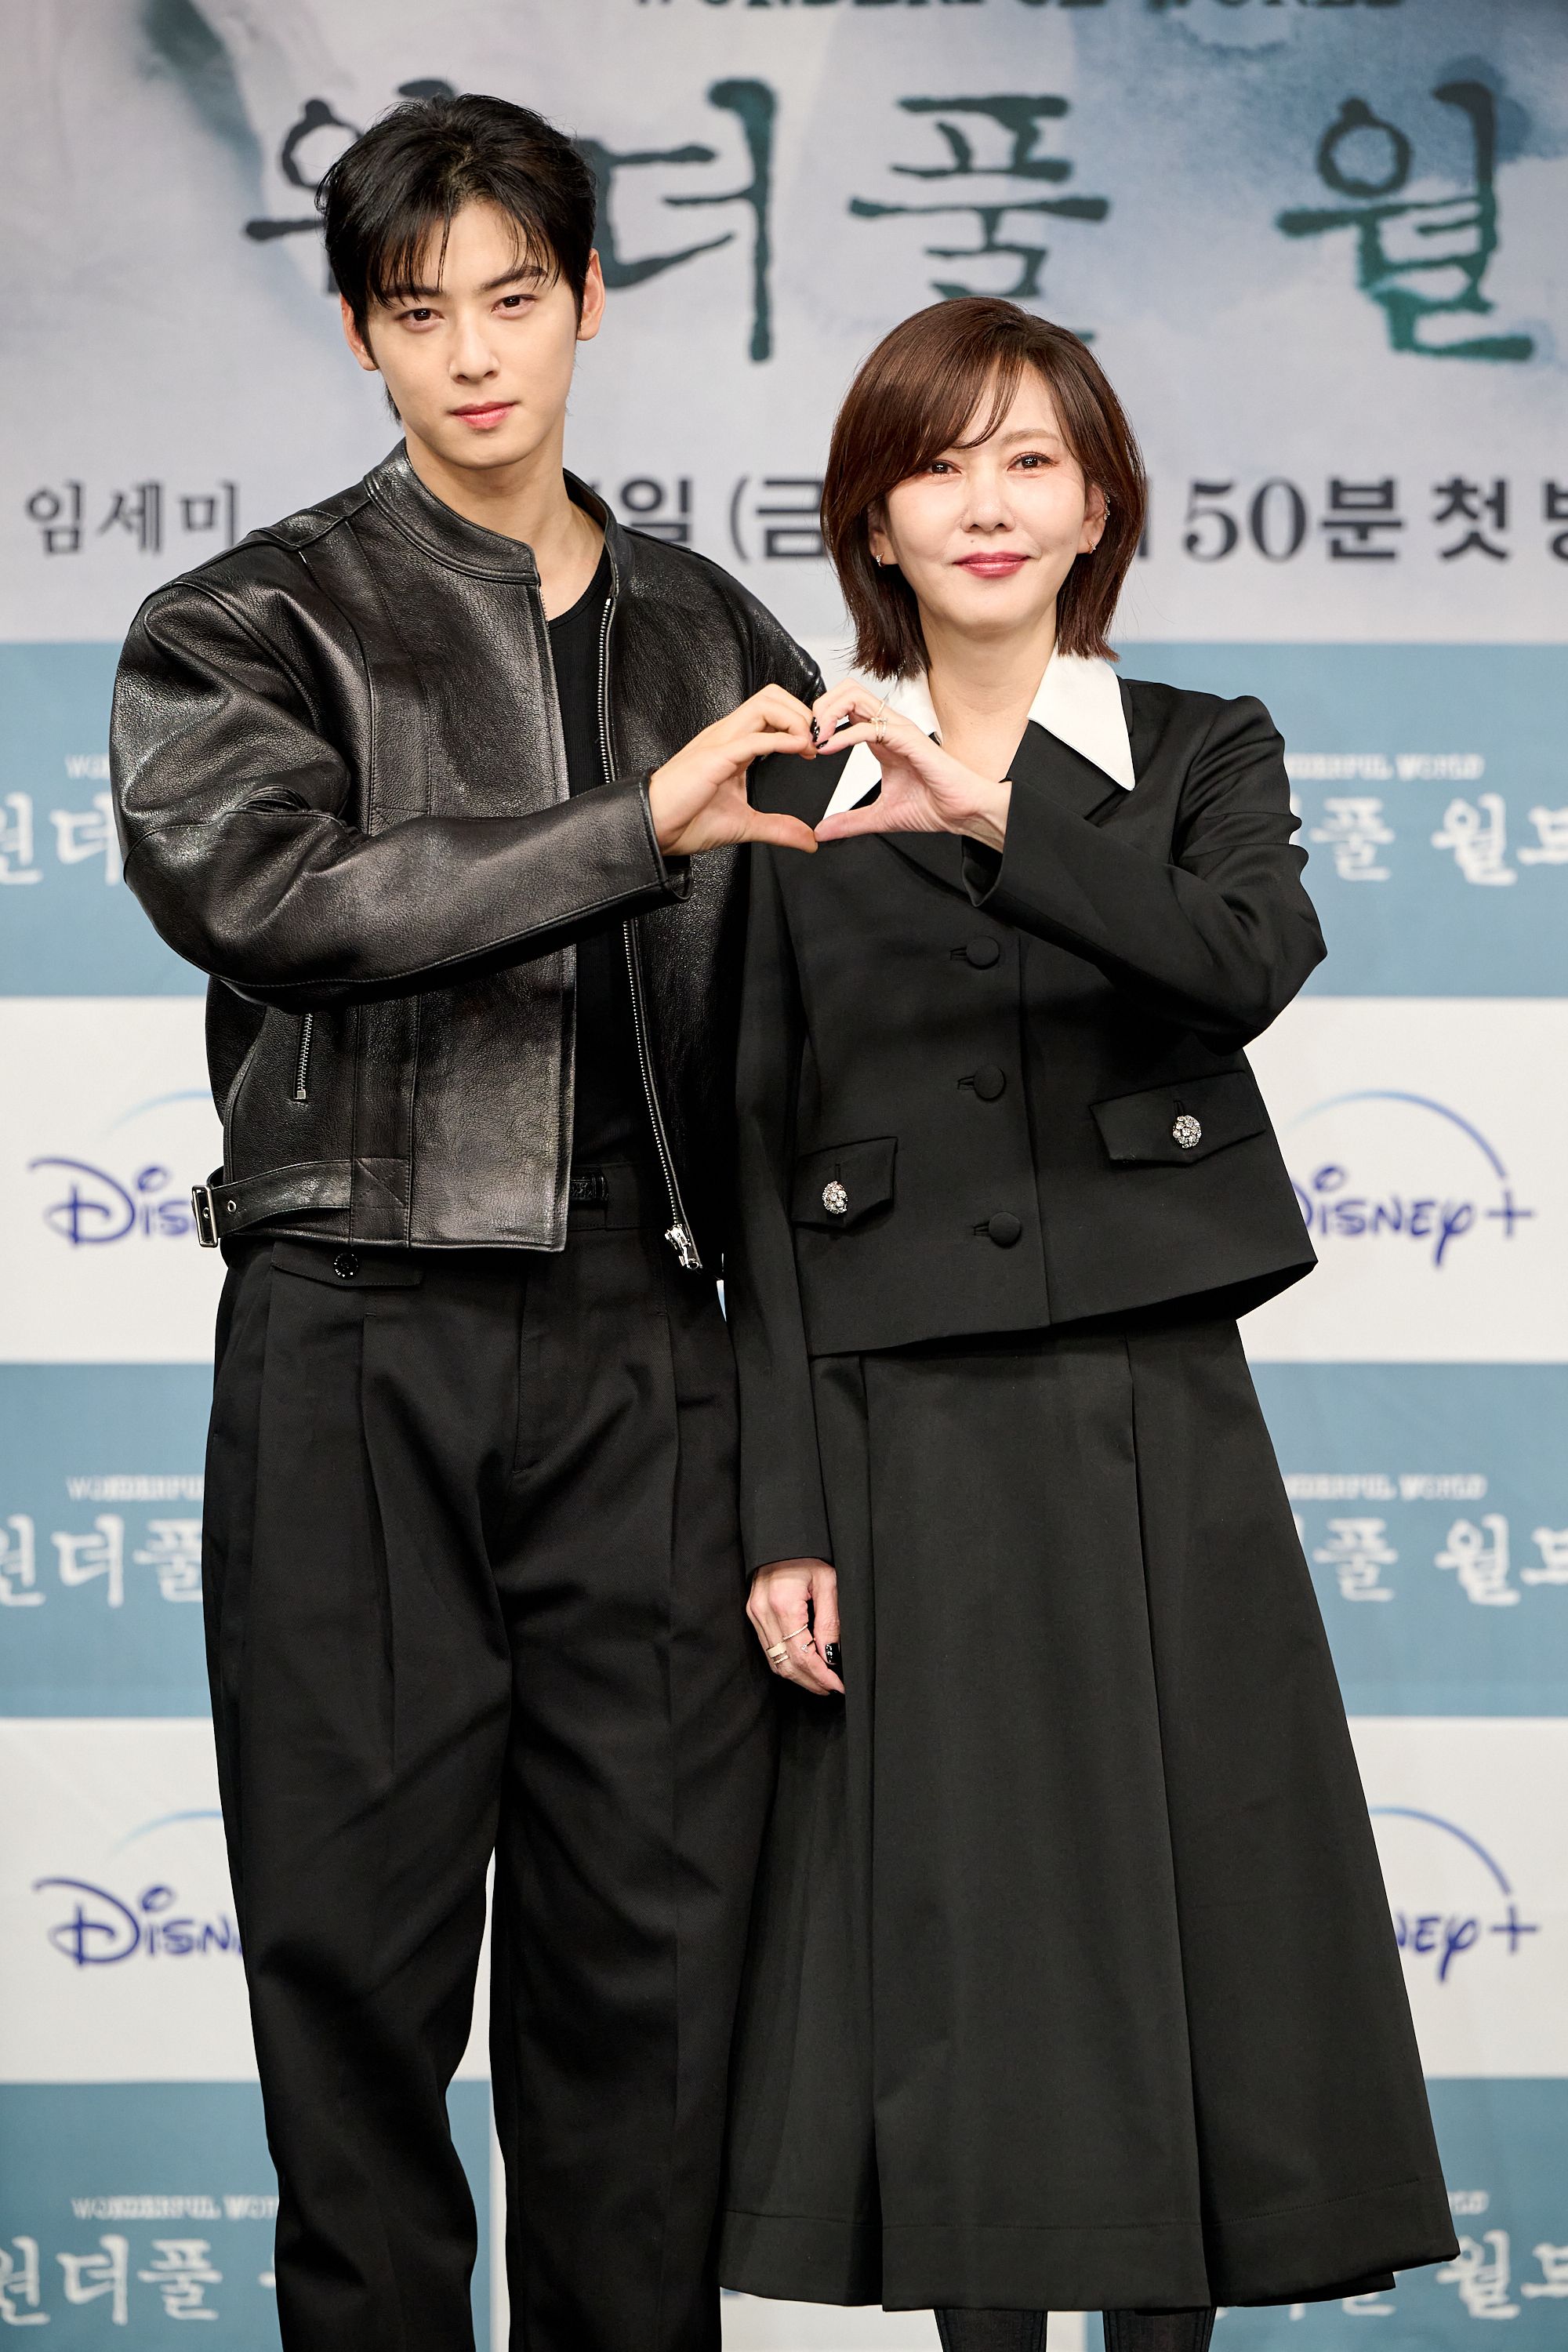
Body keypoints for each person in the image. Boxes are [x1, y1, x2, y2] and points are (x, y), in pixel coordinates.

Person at [110, 93, 822, 2352]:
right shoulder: (239, 625)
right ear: (360, 337)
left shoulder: (718, 628)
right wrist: (639, 827)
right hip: (356, 1322)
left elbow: (808, 1030)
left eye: (518, 298)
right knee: (355, 1994)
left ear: (592, 302)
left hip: (657, 1353)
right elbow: (275, 896)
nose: (476, 355)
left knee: (653, 2012)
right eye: (422, 314)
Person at [717, 297, 1458, 2350]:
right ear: (873, 515)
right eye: (938, 461)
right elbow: (756, 1179)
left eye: (1028, 457)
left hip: (1155, 1408)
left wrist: (988, 813)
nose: (984, 499)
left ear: (1099, 503)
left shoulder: (1200, 748)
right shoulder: (775, 780)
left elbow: (1243, 955)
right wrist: (784, 1512)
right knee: (972, 1952)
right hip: (903, 1433)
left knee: (1193, 1918)